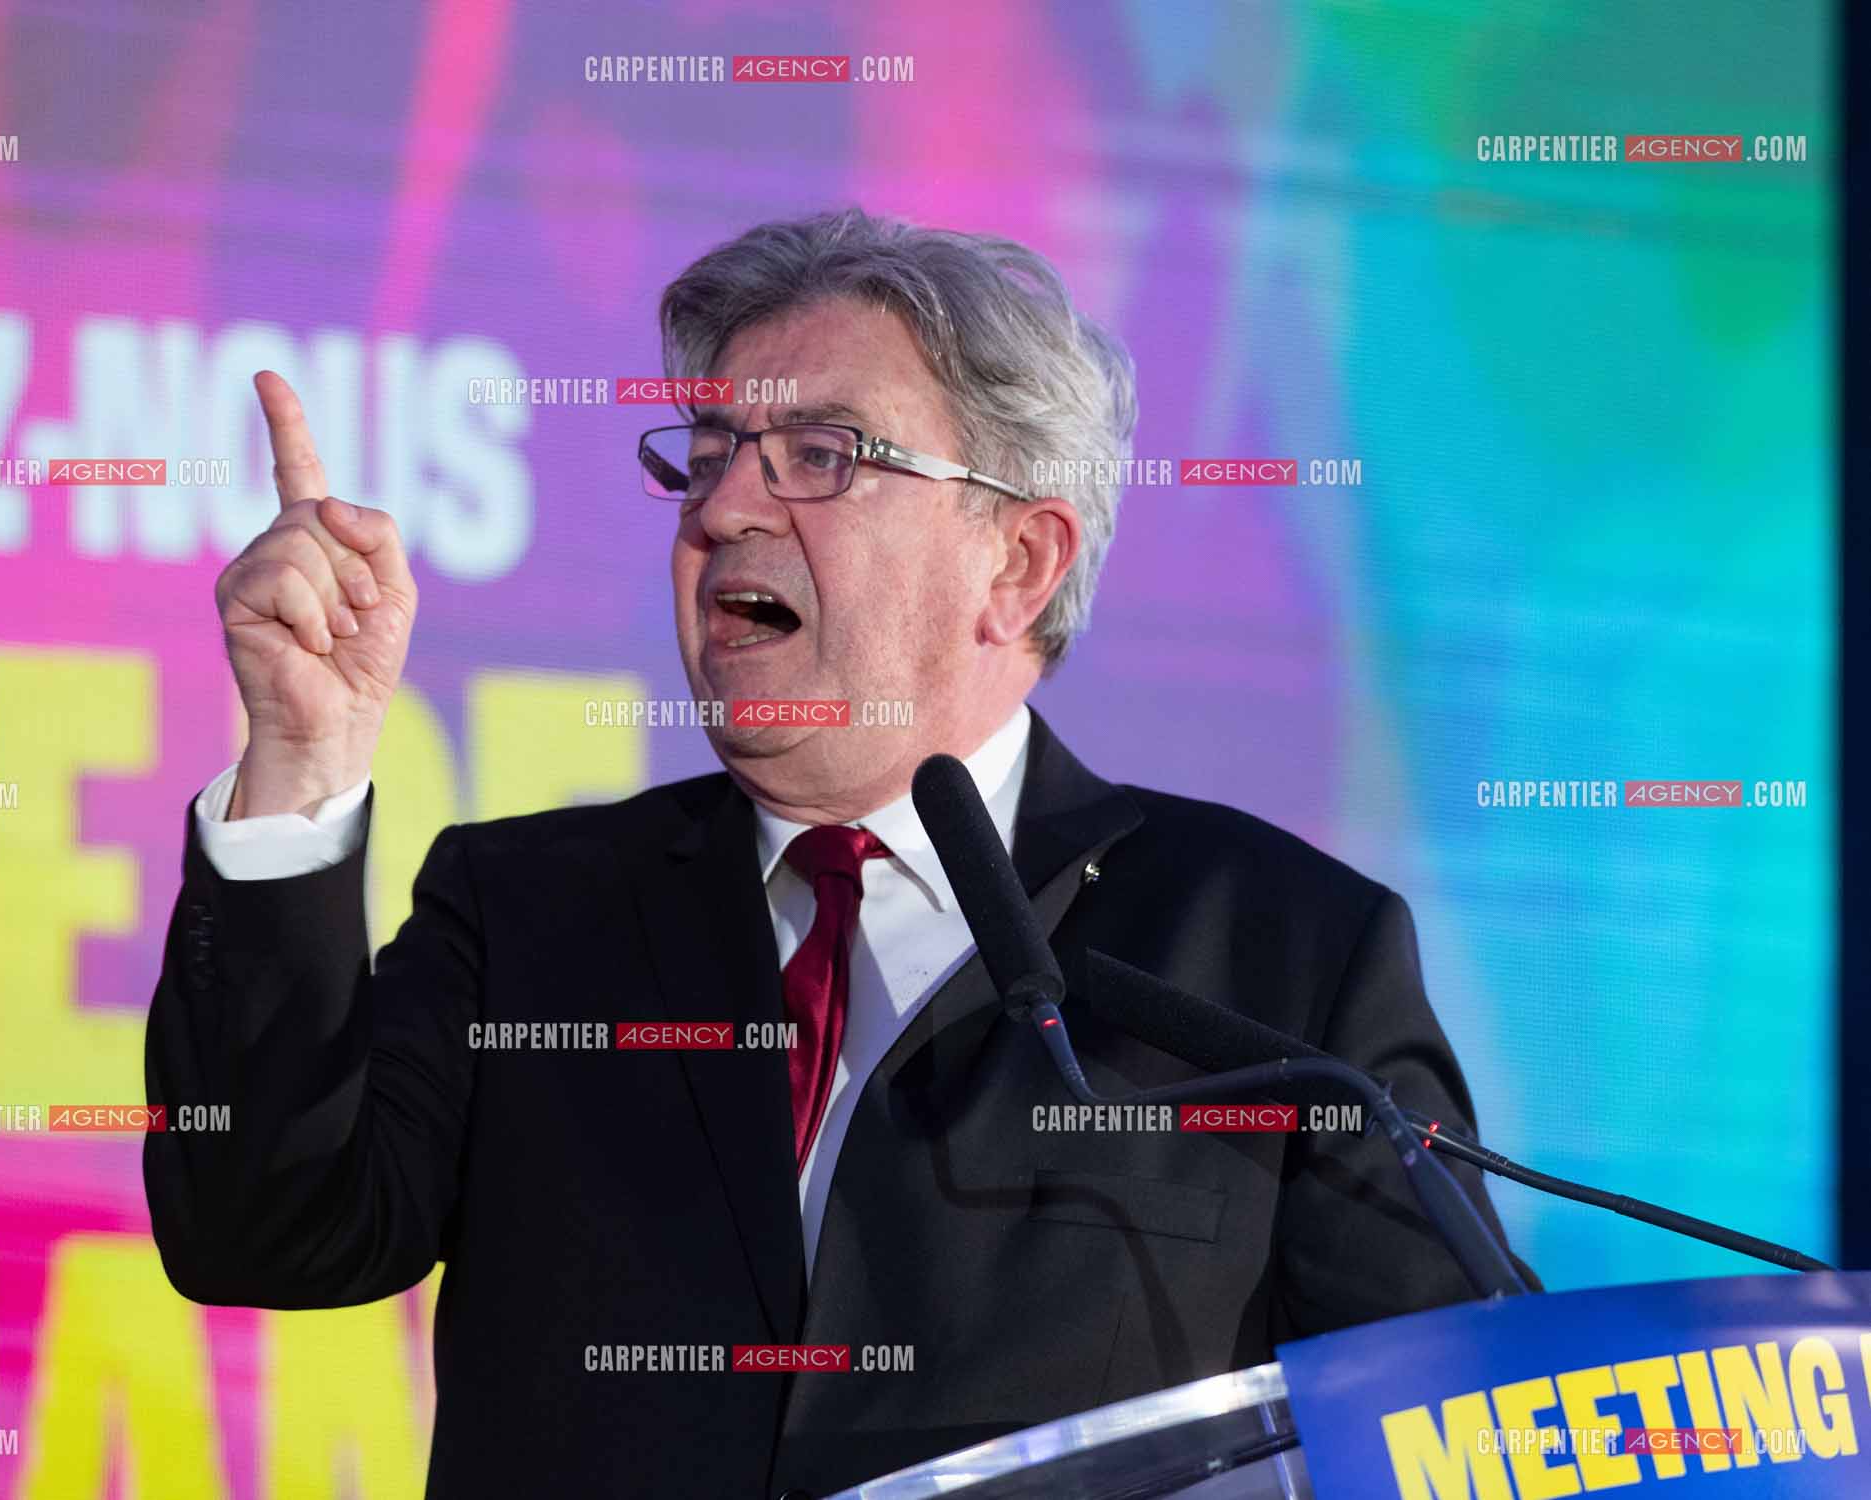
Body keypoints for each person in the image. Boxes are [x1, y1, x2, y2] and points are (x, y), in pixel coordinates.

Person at [143, 207, 1532, 1500]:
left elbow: (1450, 1429)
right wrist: (301, 765)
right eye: (704, 456)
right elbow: (262, 1227)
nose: (722, 512)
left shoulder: (1276, 956)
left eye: (821, 457)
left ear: (1018, 562)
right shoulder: (531, 911)